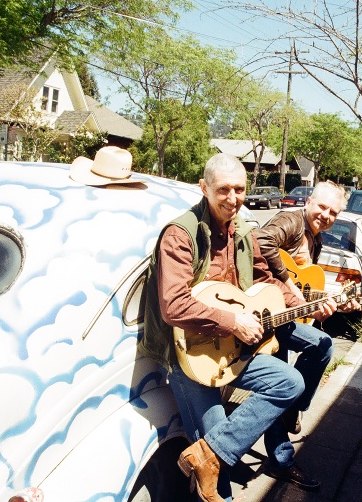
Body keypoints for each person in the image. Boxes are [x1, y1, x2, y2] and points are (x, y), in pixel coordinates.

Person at [138, 153, 335, 501]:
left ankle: (209, 456)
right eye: (224, 189)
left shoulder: (243, 232)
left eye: (240, 189)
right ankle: (215, 471)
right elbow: (173, 305)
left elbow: (267, 282)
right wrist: (232, 320)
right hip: (192, 358)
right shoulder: (180, 235)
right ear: (204, 188)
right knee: (218, 448)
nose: (233, 198)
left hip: (233, 350)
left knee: (289, 382)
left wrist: (309, 306)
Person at [253, 181, 361, 436]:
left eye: (333, 212)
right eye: (322, 207)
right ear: (309, 202)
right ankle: (281, 457)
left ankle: (295, 406)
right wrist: (288, 282)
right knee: (282, 385)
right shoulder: (291, 221)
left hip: (285, 314)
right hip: (266, 312)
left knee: (322, 345)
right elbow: (260, 240)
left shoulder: (317, 239)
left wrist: (342, 305)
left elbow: (306, 289)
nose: (326, 215)